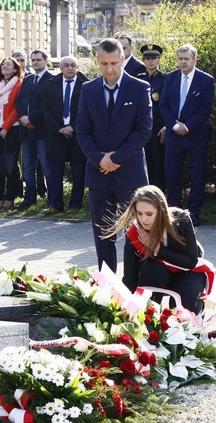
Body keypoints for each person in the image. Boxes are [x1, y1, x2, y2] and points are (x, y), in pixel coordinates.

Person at [76, 38, 152, 272]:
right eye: (103, 63)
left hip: (130, 173)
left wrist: (115, 159)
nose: (108, 69)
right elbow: (83, 130)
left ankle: (138, 283)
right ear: (97, 61)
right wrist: (100, 159)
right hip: (99, 173)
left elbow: (144, 130)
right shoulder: (88, 90)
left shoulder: (140, 88)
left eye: (113, 63)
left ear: (122, 60)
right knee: (103, 233)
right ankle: (107, 285)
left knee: (139, 231)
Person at [106, 185, 213, 315]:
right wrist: (125, 308)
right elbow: (130, 276)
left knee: (182, 312)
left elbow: (191, 261)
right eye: (139, 213)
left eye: (149, 214)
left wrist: (156, 248)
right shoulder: (134, 232)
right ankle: (151, 316)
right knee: (151, 271)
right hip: (159, 274)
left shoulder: (182, 219)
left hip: (187, 272)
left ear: (161, 211)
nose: (143, 219)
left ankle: (194, 311)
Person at [159, 44, 215, 227]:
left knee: (197, 175)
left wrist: (188, 127)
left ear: (194, 60)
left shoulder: (206, 80)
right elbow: (164, 105)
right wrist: (175, 125)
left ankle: (193, 214)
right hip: (174, 135)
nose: (183, 62)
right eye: (180, 59)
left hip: (196, 135)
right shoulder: (171, 78)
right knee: (172, 173)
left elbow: (205, 109)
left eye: (186, 59)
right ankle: (174, 211)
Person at [42, 56, 88, 214]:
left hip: (77, 135)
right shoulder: (50, 85)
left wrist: (73, 127)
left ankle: (75, 205)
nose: (70, 68)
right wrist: (59, 128)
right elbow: (45, 109)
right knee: (55, 172)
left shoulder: (87, 85)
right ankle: (56, 204)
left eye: (73, 65)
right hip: (56, 134)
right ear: (60, 68)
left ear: (78, 67)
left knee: (78, 172)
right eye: (66, 65)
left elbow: (87, 110)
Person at [15, 50, 53, 211]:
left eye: (38, 60)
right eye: (33, 60)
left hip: (42, 130)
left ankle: (53, 199)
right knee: (28, 167)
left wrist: (32, 119)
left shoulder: (52, 79)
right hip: (26, 131)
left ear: (46, 61)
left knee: (46, 165)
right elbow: (19, 101)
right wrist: (23, 117)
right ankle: (29, 198)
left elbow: (49, 104)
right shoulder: (27, 79)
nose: (35, 62)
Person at [0, 56, 24, 209]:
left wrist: (5, 128)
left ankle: (10, 196)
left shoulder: (19, 84)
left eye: (9, 64)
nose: (5, 66)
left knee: (10, 164)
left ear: (15, 69)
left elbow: (17, 108)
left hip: (12, 129)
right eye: (3, 64)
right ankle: (0, 196)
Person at [138, 43, 167, 191]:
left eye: (154, 58)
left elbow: (169, 104)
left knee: (158, 161)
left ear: (159, 60)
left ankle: (159, 194)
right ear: (143, 60)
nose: (151, 61)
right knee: (144, 160)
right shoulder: (139, 79)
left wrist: (167, 125)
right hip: (142, 124)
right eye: (148, 58)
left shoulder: (165, 79)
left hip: (158, 124)